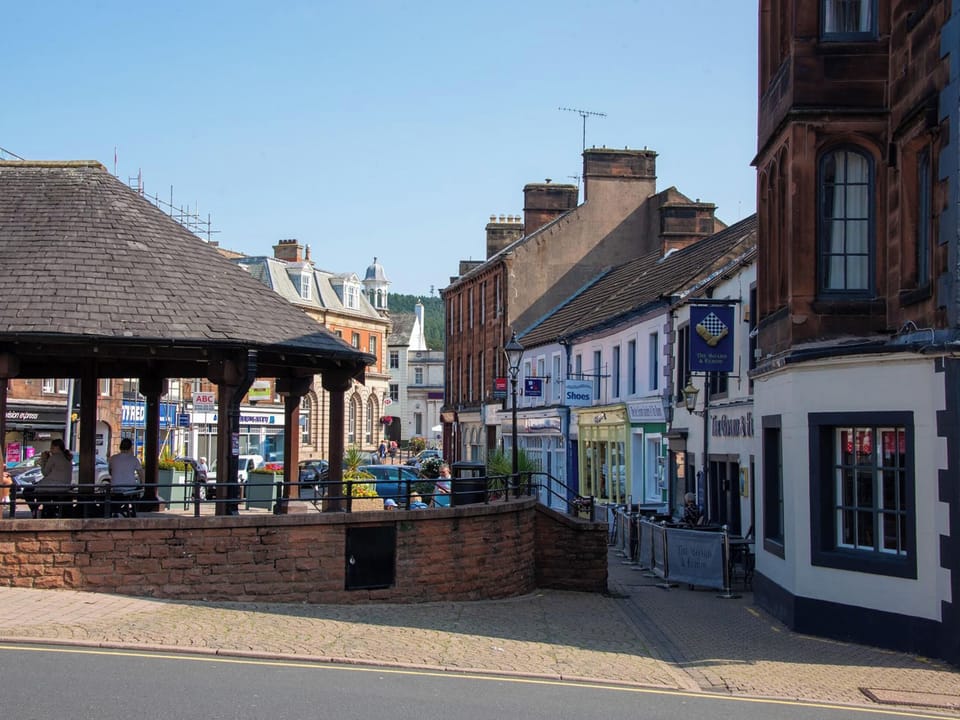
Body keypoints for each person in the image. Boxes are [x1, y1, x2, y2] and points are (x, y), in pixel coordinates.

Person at [31, 438, 74, 517]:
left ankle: (34, 509)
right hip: (65, 486)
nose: (50, 450)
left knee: (29, 491)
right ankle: (44, 509)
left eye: (52, 447)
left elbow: (45, 473)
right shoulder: (68, 458)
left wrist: (44, 460)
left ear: (57, 447)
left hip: (53, 486)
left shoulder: (54, 457)